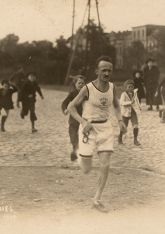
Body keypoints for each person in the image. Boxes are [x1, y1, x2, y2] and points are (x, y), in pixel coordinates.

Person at [67, 55, 127, 213]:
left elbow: (115, 104)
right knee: (86, 169)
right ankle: (78, 153)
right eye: (103, 70)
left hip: (106, 128)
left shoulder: (113, 87)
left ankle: (97, 199)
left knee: (105, 165)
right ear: (97, 71)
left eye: (109, 70)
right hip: (88, 129)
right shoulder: (87, 88)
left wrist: (120, 121)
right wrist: (83, 122)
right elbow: (71, 107)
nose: (107, 73)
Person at [61, 75, 86, 161]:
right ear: (75, 84)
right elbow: (64, 103)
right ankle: (75, 151)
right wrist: (65, 110)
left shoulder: (86, 94)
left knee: (83, 138)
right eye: (79, 83)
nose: (80, 85)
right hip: (74, 120)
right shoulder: (72, 94)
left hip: (84, 119)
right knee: (73, 137)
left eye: (82, 83)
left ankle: (76, 152)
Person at [119, 79, 141, 146]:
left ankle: (135, 139)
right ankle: (120, 137)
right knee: (124, 127)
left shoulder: (135, 93)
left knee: (136, 125)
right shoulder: (124, 94)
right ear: (125, 88)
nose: (130, 88)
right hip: (125, 113)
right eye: (129, 87)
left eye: (132, 87)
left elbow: (136, 100)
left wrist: (139, 106)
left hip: (133, 112)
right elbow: (121, 102)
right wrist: (129, 103)